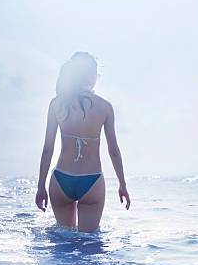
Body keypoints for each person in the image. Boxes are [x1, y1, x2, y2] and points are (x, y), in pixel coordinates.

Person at [35, 52, 130, 232]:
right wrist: (122, 184)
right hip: (91, 180)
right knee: (88, 246)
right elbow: (114, 151)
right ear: (92, 75)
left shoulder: (57, 104)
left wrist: (41, 186)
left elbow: (48, 148)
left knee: (63, 244)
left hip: (61, 179)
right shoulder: (105, 107)